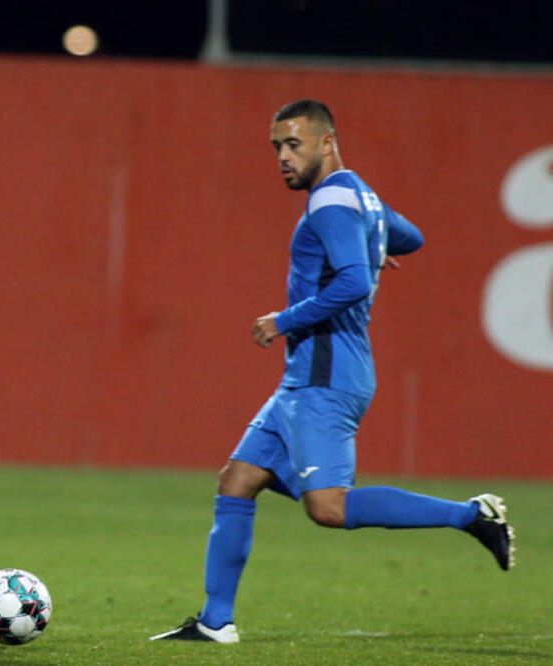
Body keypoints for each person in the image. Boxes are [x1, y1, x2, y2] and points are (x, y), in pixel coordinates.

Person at [151, 99, 514, 644]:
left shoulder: (329, 203)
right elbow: (411, 237)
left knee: (328, 508)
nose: (282, 157)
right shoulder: (360, 194)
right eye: (276, 146)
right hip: (306, 376)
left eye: (293, 144)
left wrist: (282, 319)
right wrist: (373, 245)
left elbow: (352, 284)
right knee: (239, 479)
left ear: (327, 141)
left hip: (327, 375)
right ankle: (214, 621)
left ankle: (472, 514)